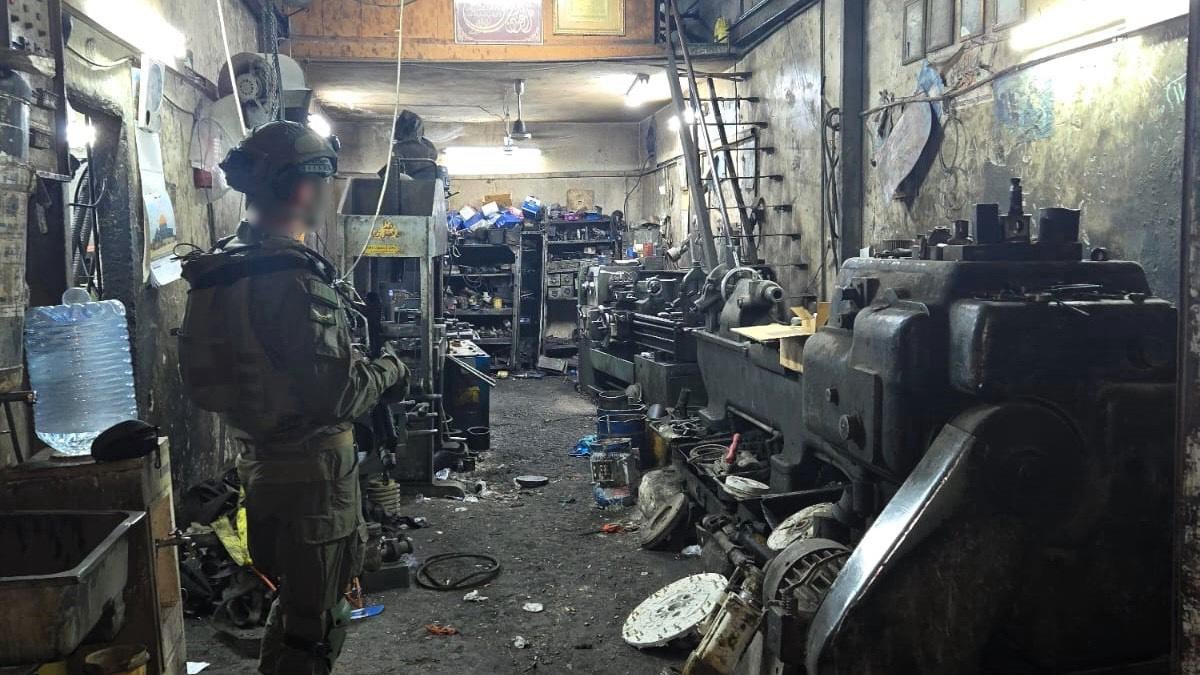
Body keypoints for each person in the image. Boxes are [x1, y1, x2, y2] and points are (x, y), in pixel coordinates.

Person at [177, 120, 407, 674]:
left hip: (260, 463)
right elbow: (337, 396)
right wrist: (390, 369)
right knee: (316, 624)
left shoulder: (222, 266)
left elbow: (209, 384)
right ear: (303, 188)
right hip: (314, 478)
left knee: (295, 609)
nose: (328, 195)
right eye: (325, 183)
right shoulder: (293, 278)